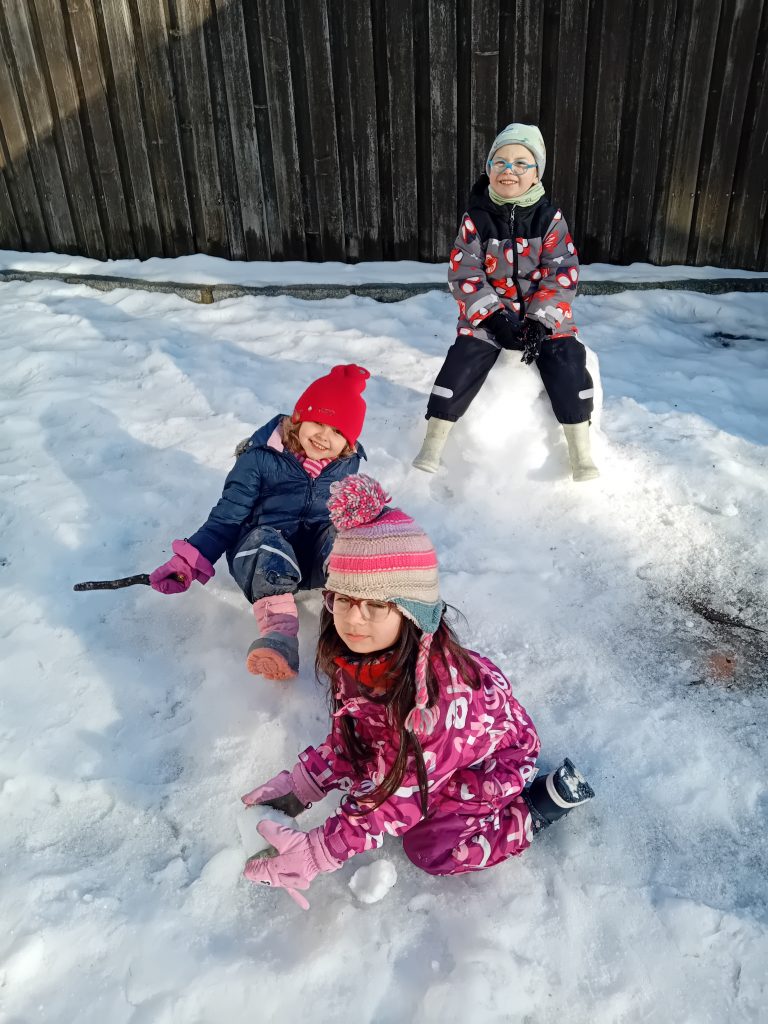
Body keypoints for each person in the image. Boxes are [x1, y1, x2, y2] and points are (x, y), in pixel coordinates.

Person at [240, 475, 594, 909]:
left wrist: (317, 852)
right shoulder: (363, 657)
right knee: (383, 770)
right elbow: (361, 738)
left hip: (490, 762)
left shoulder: (435, 702)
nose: (354, 619)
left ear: (412, 612)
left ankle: (534, 811)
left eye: (378, 605)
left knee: (431, 848)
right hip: (430, 753)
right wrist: (302, 786)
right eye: (345, 599)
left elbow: (397, 800)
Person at [149, 364, 370, 680]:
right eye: (318, 422)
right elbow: (226, 518)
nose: (324, 436)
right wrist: (187, 563)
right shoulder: (260, 459)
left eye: (338, 431)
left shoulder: (347, 464)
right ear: (298, 417)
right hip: (262, 555)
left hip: (311, 558)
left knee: (347, 539)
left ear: (349, 441)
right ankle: (279, 640)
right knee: (264, 542)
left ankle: (358, 628)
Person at [412, 123, 599, 481]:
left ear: (536, 174)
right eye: (499, 162)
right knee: (460, 364)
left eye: (520, 163)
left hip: (544, 317)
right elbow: (464, 273)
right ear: (488, 169)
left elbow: (562, 272)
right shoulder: (476, 219)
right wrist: (494, 319)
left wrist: (540, 322)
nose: (508, 171)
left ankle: (581, 453)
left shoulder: (549, 219)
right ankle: (433, 442)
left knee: (569, 364)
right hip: (488, 316)